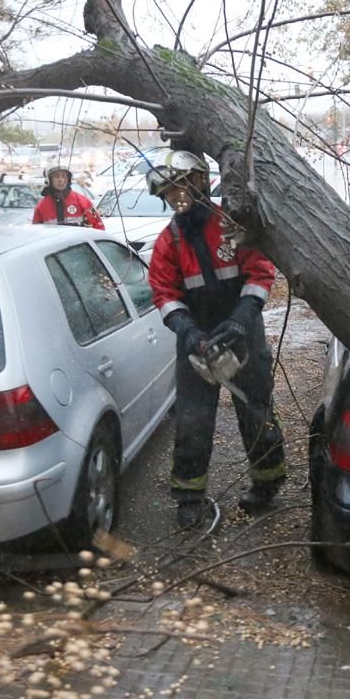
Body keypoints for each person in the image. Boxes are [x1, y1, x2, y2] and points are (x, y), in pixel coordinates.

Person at [146, 149, 286, 528]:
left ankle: (267, 484)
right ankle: (189, 496)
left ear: (201, 181)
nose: (176, 197)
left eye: (181, 187)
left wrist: (241, 321)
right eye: (169, 193)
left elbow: (260, 272)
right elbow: (164, 292)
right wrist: (188, 332)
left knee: (256, 409)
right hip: (196, 334)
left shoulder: (231, 223)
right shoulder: (168, 241)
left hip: (242, 330)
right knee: (192, 419)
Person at [32, 166, 105, 228]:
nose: (61, 180)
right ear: (50, 180)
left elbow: (98, 227)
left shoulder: (83, 202)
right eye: (56, 176)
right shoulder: (41, 207)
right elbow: (36, 235)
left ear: (68, 179)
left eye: (63, 176)